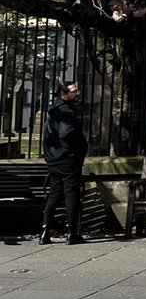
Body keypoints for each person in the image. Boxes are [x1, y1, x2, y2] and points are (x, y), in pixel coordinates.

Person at [40, 80, 88, 245]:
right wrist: (79, 147)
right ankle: (72, 233)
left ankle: (44, 233)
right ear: (64, 93)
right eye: (74, 91)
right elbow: (66, 133)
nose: (77, 93)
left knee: (54, 195)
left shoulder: (54, 110)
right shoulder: (67, 111)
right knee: (71, 196)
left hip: (54, 160)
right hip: (68, 159)